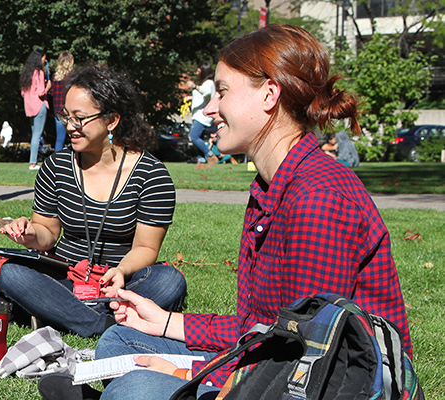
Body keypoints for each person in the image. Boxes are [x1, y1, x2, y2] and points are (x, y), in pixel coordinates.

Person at [39, 25, 413, 400]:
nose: (209, 109)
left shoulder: (318, 198)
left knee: (135, 387)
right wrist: (166, 321)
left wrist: (188, 371)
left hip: (333, 384)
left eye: (222, 91)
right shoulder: (272, 186)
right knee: (121, 338)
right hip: (277, 357)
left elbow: (304, 357)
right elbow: (260, 326)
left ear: (269, 94)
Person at [0, 66, 186, 339]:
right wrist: (28, 233)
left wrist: (121, 271)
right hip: (67, 278)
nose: (70, 126)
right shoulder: (56, 167)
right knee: (12, 273)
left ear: (112, 120)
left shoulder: (151, 175)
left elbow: (146, 247)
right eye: (66, 116)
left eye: (80, 118)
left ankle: (74, 316)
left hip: (124, 281)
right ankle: (105, 322)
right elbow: (47, 234)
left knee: (170, 281)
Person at [21, 49, 51, 170]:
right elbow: (40, 92)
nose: (45, 60)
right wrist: (47, 87)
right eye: (44, 57)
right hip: (39, 105)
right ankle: (33, 163)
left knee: (34, 134)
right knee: (37, 135)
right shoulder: (39, 72)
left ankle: (32, 161)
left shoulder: (27, 73)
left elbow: (23, 93)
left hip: (29, 106)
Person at [186, 63, 219, 168]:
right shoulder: (204, 83)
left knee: (193, 136)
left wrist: (194, 86)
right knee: (198, 137)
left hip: (202, 116)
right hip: (197, 115)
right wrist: (190, 98)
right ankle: (201, 162)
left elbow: (207, 93)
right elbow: (201, 97)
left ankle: (211, 155)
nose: (196, 72)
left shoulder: (209, 83)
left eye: (198, 70)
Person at [49, 52, 75, 152]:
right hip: (71, 112)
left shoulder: (55, 77)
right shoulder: (73, 76)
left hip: (58, 111)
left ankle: (57, 161)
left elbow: (52, 93)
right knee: (76, 137)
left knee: (59, 139)